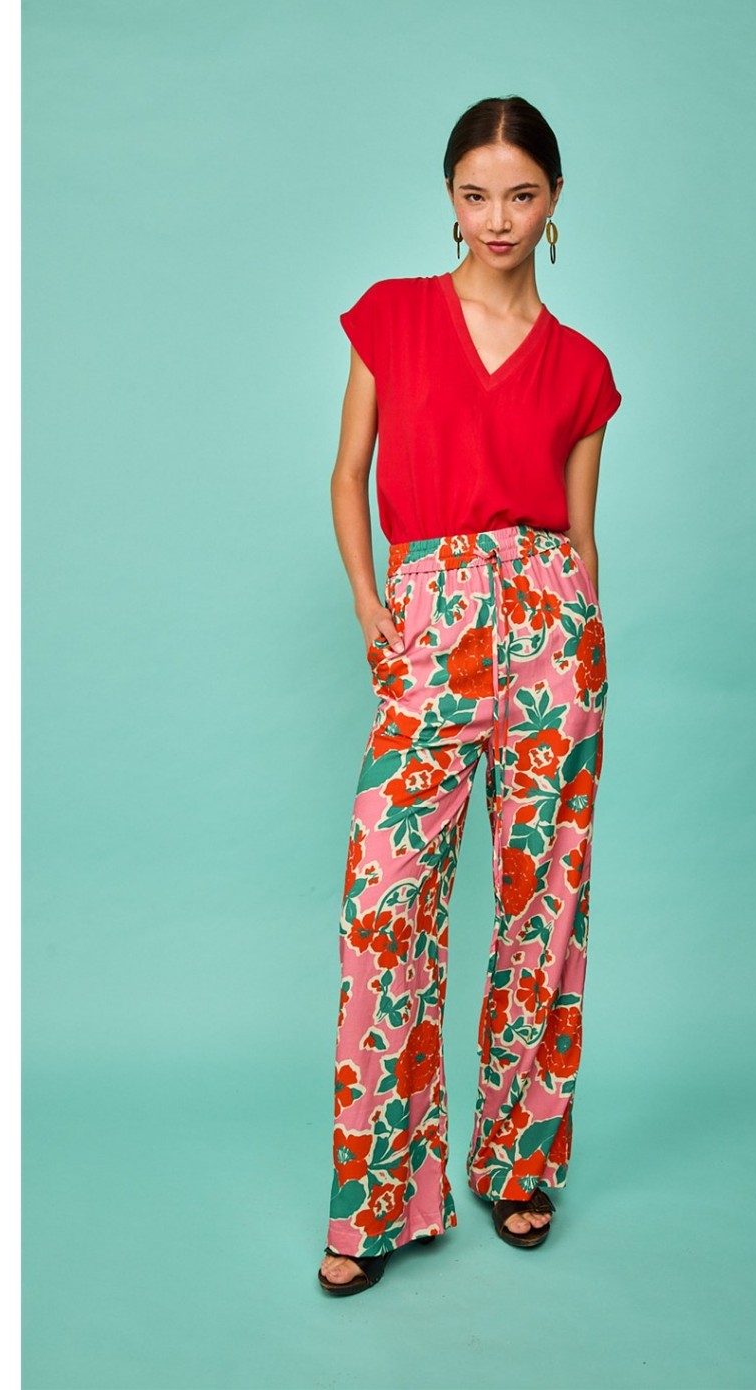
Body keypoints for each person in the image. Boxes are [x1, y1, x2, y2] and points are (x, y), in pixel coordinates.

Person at [319, 95, 622, 1295]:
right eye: (475, 193)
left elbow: (582, 539)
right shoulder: (391, 317)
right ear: (449, 197)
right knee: (384, 906)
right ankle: (373, 1201)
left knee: (544, 905)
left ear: (554, 202)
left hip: (551, 629)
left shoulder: (582, 368)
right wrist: (369, 601)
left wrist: (583, 642)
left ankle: (518, 1163)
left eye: (521, 195)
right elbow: (348, 472)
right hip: (429, 620)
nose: (497, 217)